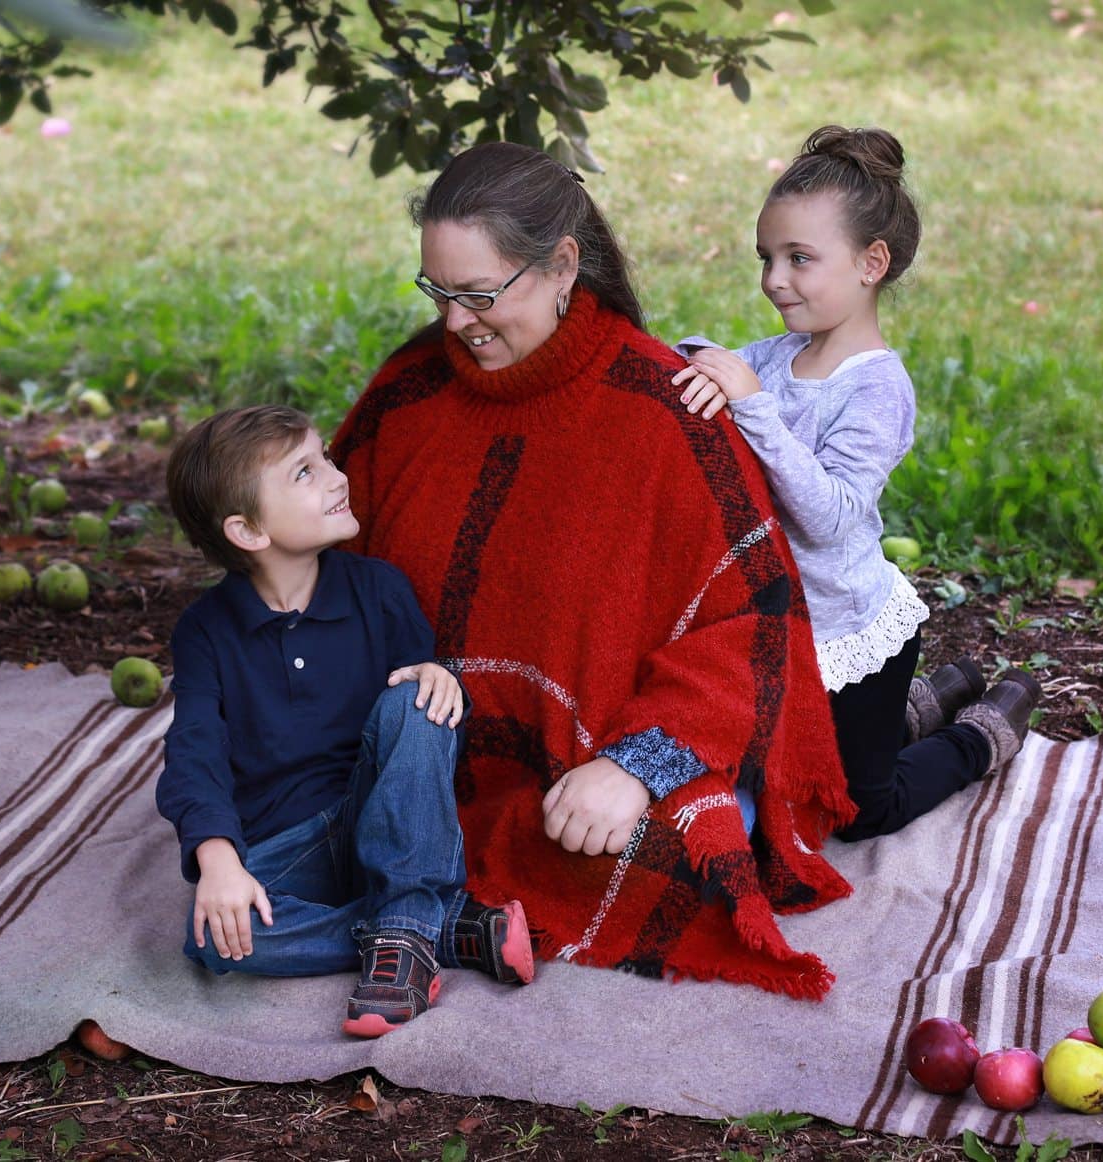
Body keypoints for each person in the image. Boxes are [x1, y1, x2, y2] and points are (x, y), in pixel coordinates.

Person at [330, 141, 858, 1001]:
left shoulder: (663, 408)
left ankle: (928, 718)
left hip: (587, 773)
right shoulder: (408, 392)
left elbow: (754, 619)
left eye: (480, 293)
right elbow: (317, 573)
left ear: (563, 264)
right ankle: (428, 891)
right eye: (439, 292)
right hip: (416, 763)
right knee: (302, 842)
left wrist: (637, 766)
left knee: (673, 860)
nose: (456, 321)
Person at [670, 125, 1042, 841]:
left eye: (798, 259)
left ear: (871, 262)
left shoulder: (876, 389)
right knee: (782, 776)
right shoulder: (776, 357)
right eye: (766, 258)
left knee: (857, 813)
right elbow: (705, 357)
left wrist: (752, 407)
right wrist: (690, 361)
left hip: (852, 635)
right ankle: (922, 706)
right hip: (776, 626)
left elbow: (833, 517)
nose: (773, 279)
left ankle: (981, 730)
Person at [156, 404, 534, 1040]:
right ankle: (427, 929)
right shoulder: (205, 631)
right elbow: (194, 748)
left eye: (325, 457)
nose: (337, 476)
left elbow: (420, 748)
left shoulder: (378, 590)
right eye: (306, 473)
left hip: (381, 819)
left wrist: (438, 679)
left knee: (415, 698)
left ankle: (406, 918)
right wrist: (217, 859)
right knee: (218, 943)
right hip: (286, 841)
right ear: (248, 531)